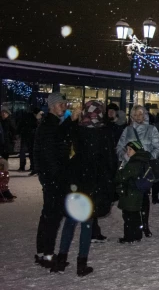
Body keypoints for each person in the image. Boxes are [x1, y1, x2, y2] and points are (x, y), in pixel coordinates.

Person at [52, 101, 114, 276]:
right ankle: (81, 263)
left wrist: (71, 120)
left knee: (70, 222)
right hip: (94, 181)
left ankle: (61, 259)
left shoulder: (78, 128)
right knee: (87, 223)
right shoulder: (104, 131)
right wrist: (109, 183)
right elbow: (109, 159)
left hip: (76, 179)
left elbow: (59, 137)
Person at [33, 93, 78, 268]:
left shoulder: (49, 123)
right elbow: (52, 150)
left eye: (64, 104)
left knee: (48, 215)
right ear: (52, 106)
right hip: (54, 178)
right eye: (61, 104)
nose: (64, 107)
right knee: (52, 216)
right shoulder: (49, 125)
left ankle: (43, 251)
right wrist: (56, 176)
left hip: (51, 177)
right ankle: (48, 254)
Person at [116, 105, 159, 238]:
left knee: (143, 196)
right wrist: (125, 156)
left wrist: (149, 156)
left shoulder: (152, 129)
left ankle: (145, 225)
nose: (138, 117)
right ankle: (134, 227)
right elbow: (119, 147)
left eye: (140, 114)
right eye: (135, 115)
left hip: (145, 168)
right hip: (130, 168)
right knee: (131, 196)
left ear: (145, 115)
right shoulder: (128, 130)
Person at [115, 141, 150, 243]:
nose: (128, 152)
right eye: (127, 149)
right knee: (135, 214)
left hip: (130, 192)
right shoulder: (142, 160)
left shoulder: (133, 163)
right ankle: (137, 234)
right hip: (137, 192)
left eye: (130, 149)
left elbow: (121, 176)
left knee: (128, 215)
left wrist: (120, 168)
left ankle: (129, 236)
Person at [17, 107, 39, 173]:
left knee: (22, 152)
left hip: (24, 135)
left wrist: (18, 132)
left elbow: (20, 125)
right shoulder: (34, 119)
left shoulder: (26, 117)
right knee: (31, 152)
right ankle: (32, 167)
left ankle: (22, 166)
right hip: (31, 136)